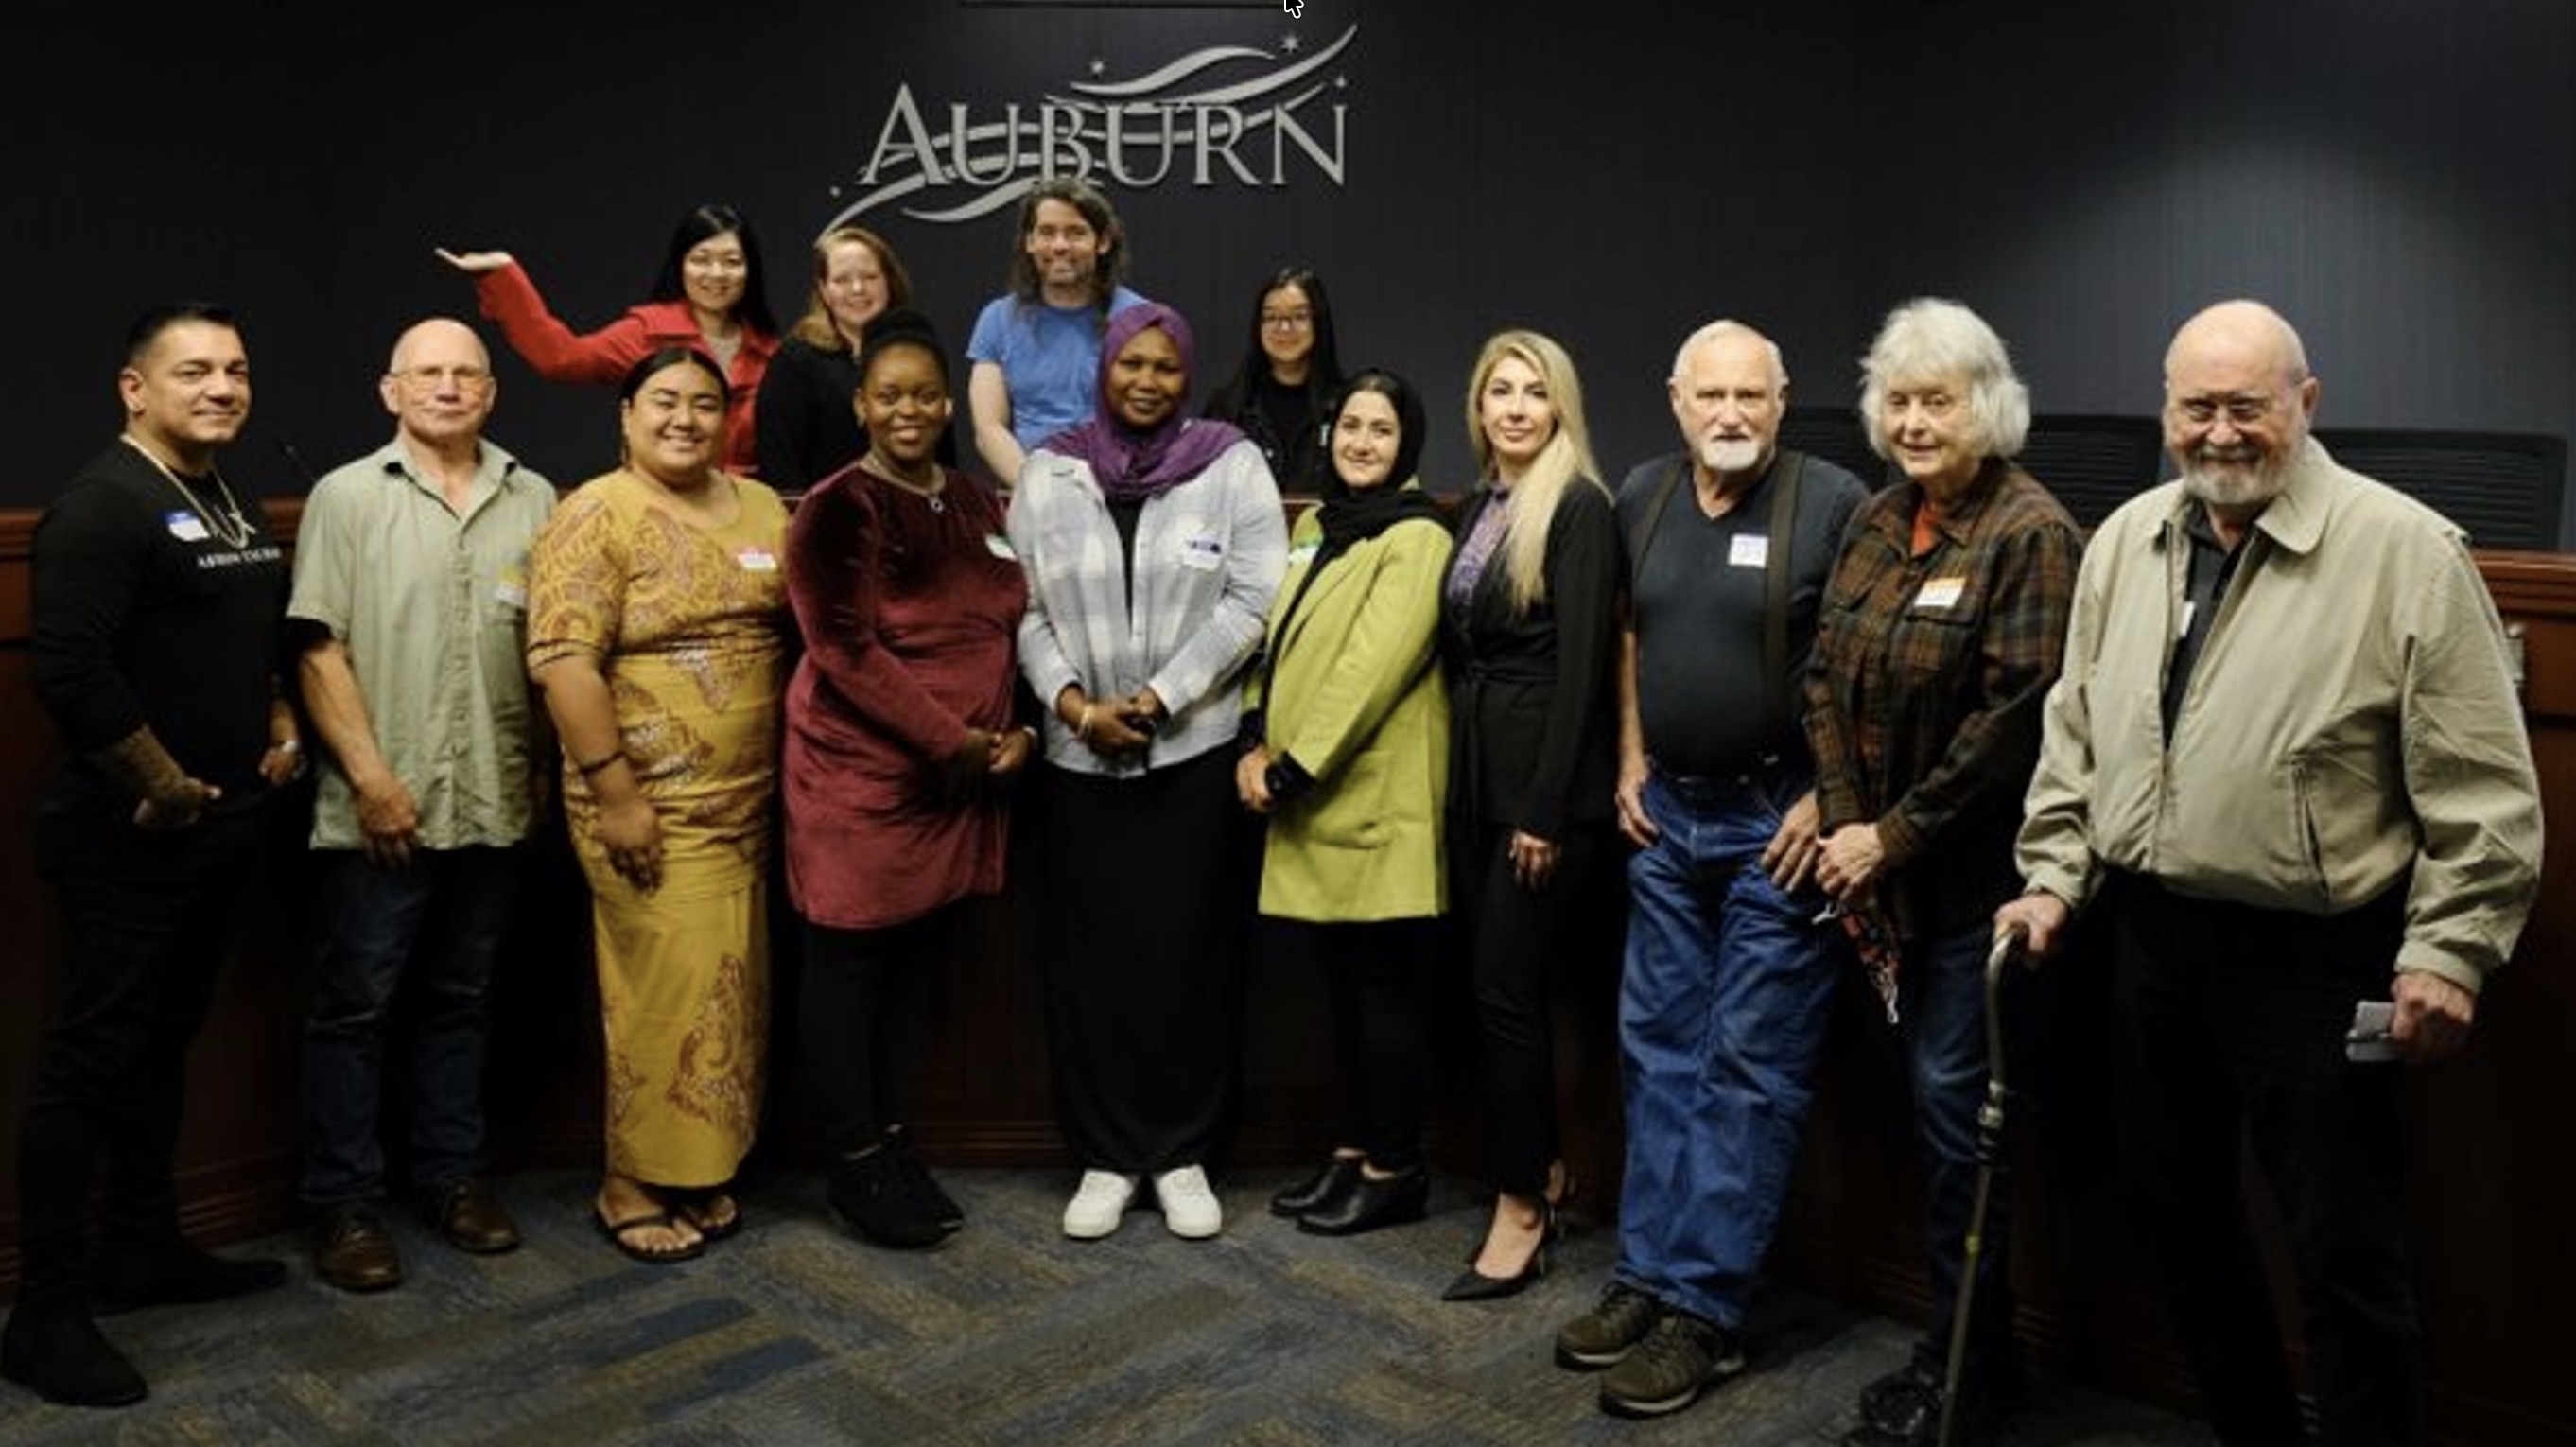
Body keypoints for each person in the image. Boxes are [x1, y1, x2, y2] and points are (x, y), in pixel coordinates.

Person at [1997, 300, 2543, 1447]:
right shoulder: (2128, 540)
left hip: (2319, 953)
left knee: (2343, 1248)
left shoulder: (2407, 551)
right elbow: (2077, 731)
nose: (2221, 432)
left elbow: (2485, 789)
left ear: (2307, 402)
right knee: (2178, 1218)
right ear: (2166, 412)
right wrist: (2053, 875)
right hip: (2152, 941)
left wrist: (2451, 949)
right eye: (2196, 407)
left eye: (2248, 405)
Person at [1556, 321, 1869, 1417]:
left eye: (1752, 396)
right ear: (1677, 401)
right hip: (1668, 823)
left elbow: (1864, 668)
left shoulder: (1832, 502)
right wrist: (1634, 754)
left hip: (1772, 830)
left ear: (1782, 403)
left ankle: (1706, 1312)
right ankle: (1646, 1276)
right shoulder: (1642, 491)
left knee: (1748, 1072)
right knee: (1658, 1056)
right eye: (1711, 396)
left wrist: (1823, 796)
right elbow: (1629, 635)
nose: (1731, 414)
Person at [6, 303, 296, 1408]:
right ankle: (45, 1316)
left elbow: (247, 635)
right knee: (88, 1062)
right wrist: (161, 782)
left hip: (220, 827)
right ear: (136, 389)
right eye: (194, 371)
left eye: (235, 367)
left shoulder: (221, 495)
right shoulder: (100, 505)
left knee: (163, 1044)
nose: (221, 387)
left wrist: (274, 724)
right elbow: (72, 675)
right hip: (128, 835)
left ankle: (144, 1248)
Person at [1804, 297, 2081, 1447]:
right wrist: (1844, 817)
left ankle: (1963, 1369)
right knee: (1931, 1119)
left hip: (1975, 890)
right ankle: (1975, 1353)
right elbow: (1821, 674)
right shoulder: (1877, 519)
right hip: (1884, 878)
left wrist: (1893, 835)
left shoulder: (2031, 532)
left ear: (1989, 407)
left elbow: (2013, 718)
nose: (1917, 422)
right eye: (1901, 402)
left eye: (1940, 400)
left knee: (1955, 1120)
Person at [286, 318, 556, 1294]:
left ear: (491, 391)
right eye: (426, 373)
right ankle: (344, 1202)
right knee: (355, 1008)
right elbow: (318, 649)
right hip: (379, 803)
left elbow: (549, 653)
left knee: (463, 1001)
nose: (447, 387)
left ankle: (451, 1177)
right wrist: (370, 779)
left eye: (465, 373)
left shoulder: (536, 498)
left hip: (492, 793)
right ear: (389, 390)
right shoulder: (347, 497)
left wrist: (540, 771)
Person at [1007, 302, 1286, 1242]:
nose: (1147, 382)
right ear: (1107, 368)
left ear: (1186, 375)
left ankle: (1183, 1153)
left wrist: (1163, 698)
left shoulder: (1230, 462)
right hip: (1079, 758)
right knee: (1090, 963)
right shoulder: (1049, 471)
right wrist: (1078, 707)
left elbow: (1254, 596)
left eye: (1167, 368)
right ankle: (1103, 1154)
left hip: (1194, 753)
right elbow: (1025, 609)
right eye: (1133, 365)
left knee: (1190, 958)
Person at [524, 346, 792, 1265]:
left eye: (705, 404)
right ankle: (630, 1181)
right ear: (627, 414)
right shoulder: (594, 512)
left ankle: (697, 1163)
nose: (685, 419)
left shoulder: (759, 507)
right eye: (664, 402)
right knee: (657, 992)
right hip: (644, 807)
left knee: (723, 987)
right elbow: (562, 659)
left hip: (747, 805)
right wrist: (616, 793)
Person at [780, 309, 1033, 1250]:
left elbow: (1012, 619)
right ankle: (853, 1162)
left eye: (925, 393)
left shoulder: (974, 504)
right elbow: (843, 650)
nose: (910, 409)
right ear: (861, 404)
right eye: (889, 394)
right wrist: (958, 742)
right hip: (857, 788)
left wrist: (1021, 736)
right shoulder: (839, 505)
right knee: (848, 969)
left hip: (952, 790)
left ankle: (893, 1143)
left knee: (910, 972)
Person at [1238, 368, 1452, 1238]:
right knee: (1339, 991)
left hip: (1368, 796)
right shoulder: (1318, 521)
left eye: (1382, 430)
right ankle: (1353, 1150)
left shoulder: (1418, 537)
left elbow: (1373, 665)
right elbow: (1278, 633)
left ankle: (1394, 1166)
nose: (1362, 441)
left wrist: (1291, 770)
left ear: (1408, 446)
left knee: (1380, 992)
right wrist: (1255, 729)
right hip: (1304, 792)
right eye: (1351, 425)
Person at [1438, 328, 1622, 1302]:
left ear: (1561, 409)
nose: (1514, 407)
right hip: (1475, 789)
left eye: (1533, 392)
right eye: (1497, 389)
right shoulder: (1481, 503)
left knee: (1507, 996)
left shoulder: (1580, 508)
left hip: (1542, 801)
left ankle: (1521, 1207)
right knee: (1490, 994)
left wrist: (1543, 811)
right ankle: (1539, 1166)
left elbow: (1584, 668)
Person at [438, 202, 780, 475]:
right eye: (701, 260)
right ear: (680, 266)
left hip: (744, 513)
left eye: (731, 262)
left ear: (750, 271)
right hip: (662, 505)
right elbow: (562, 358)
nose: (716, 274)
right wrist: (502, 274)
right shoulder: (648, 333)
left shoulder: (771, 351)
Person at [965, 177, 1148, 487]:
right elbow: (988, 428)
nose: (1060, 245)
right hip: (1029, 490)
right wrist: (1037, 493)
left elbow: (1153, 424)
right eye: (1047, 232)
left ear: (1102, 242)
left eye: (1075, 233)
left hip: (1120, 490)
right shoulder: (996, 319)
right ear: (1029, 241)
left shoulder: (1139, 318)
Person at [755, 222, 951, 488]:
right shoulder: (794, 362)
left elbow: (945, 454)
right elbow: (780, 465)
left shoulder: (919, 350)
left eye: (870, 277)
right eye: (842, 280)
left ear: (889, 281)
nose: (858, 289)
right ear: (823, 290)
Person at [1200, 266, 1346, 494]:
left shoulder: (1346, 406)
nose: (1284, 328)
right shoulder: (1226, 407)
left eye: (1299, 316)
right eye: (1271, 317)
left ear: (1320, 323)